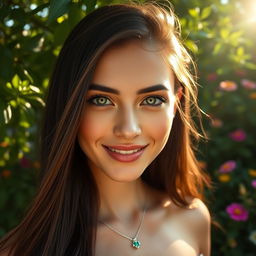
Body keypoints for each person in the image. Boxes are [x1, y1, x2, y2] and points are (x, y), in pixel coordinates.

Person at [0, 2, 211, 256]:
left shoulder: (193, 217)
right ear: (70, 105)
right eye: (101, 100)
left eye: (152, 100)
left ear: (176, 103)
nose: (128, 129)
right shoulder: (21, 250)